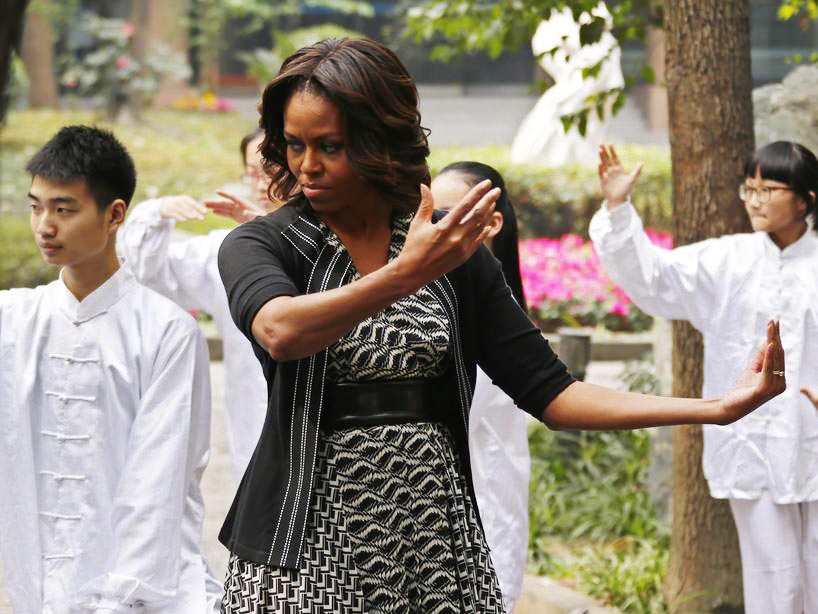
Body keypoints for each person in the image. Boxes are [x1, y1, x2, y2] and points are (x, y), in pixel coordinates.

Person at [215, 38, 785, 614]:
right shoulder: (265, 245)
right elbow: (281, 331)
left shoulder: (451, 249)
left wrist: (712, 409)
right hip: (304, 547)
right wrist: (406, 273)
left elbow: (553, 394)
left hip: (435, 544)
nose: (307, 165)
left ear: (376, 140)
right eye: (294, 144)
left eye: (329, 146)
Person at [590, 142, 818, 614]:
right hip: (753, 448)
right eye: (749, 187)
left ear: (805, 199)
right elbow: (653, 277)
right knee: (776, 587)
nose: (753, 199)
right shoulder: (725, 260)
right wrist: (618, 207)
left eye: (767, 188)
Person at [0, 126, 222, 612]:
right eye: (36, 206)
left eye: (64, 209)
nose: (44, 226)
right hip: (39, 590)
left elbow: (158, 483)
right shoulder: (14, 321)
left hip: (151, 591)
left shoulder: (165, 331)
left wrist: (120, 601)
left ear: (114, 214)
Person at [118, 127, 277, 482]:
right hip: (255, 425)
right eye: (252, 172)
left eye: (271, 167)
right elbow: (146, 271)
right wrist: (157, 213)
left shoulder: (340, 236)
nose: (262, 181)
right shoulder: (226, 250)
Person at [431, 161, 530, 614]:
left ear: (492, 223)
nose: (436, 224)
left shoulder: (499, 321)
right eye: (430, 212)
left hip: (482, 524)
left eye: (449, 212)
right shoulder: (435, 302)